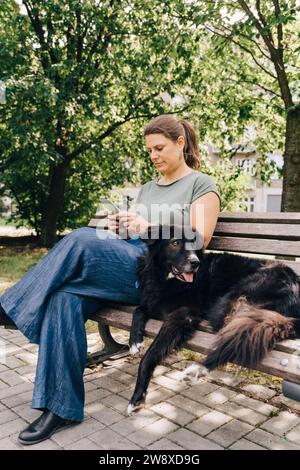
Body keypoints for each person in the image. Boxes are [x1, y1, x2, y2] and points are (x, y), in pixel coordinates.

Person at [0, 114, 220, 445]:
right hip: (128, 264)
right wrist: (123, 227)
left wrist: (147, 228)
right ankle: (61, 408)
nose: (154, 155)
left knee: (78, 238)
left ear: (180, 143)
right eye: (149, 151)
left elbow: (200, 238)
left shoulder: (201, 185)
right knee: (64, 298)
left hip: (161, 279)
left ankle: (11, 307)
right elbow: (135, 235)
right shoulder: (148, 188)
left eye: (159, 148)